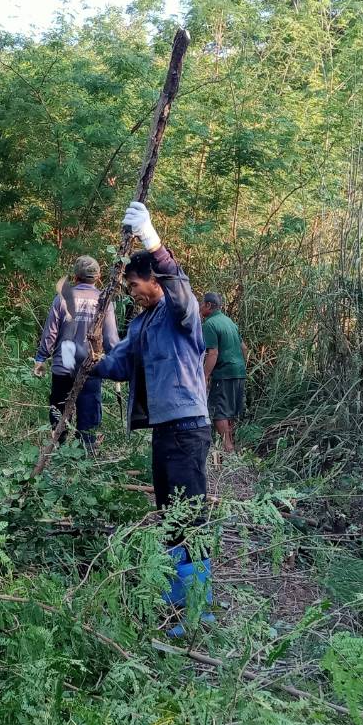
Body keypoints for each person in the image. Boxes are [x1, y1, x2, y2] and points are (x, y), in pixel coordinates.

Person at [90, 202, 213, 629]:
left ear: (154, 280)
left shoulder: (181, 315)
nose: (131, 293)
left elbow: (181, 289)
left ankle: (197, 610)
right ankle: (178, 596)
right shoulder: (142, 324)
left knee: (189, 518)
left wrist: (152, 240)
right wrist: (82, 360)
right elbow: (119, 365)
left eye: (134, 285)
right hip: (163, 432)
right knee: (169, 514)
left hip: (188, 428)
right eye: (127, 287)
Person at [32, 255, 119, 452]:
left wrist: (41, 358)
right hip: (91, 366)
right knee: (89, 417)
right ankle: (85, 453)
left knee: (59, 413)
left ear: (75, 276)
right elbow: (111, 338)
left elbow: (50, 333)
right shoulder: (104, 301)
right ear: (98, 277)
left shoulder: (63, 298)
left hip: (64, 364)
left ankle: (57, 450)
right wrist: (117, 363)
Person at [201, 291, 247, 454]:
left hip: (224, 373)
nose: (200, 307)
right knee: (230, 411)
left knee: (219, 411)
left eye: (202, 304)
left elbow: (213, 353)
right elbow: (244, 348)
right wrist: (240, 366)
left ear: (208, 305)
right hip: (239, 372)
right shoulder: (230, 322)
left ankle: (228, 449)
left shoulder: (209, 324)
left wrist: (205, 376)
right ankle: (230, 445)